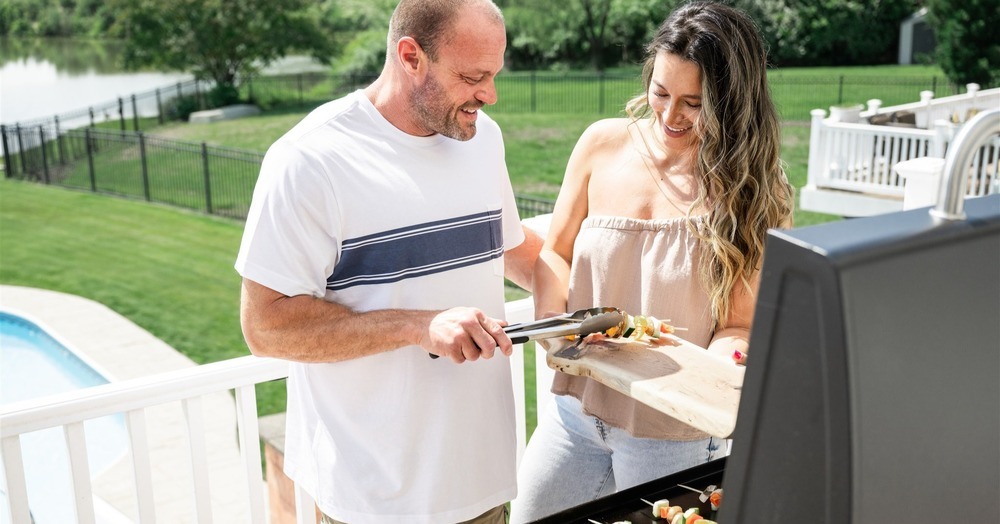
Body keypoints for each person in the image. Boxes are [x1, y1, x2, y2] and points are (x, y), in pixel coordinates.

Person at [235, 1, 542, 523]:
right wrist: (417, 327)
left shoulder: (482, 139)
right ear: (410, 56)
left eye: (493, 75)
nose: (489, 95)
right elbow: (265, 327)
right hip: (371, 501)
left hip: (481, 490)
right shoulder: (311, 160)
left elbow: (518, 252)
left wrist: (602, 305)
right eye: (472, 77)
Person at [509, 2, 795, 521]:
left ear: (732, 104)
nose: (669, 115)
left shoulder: (754, 193)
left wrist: (724, 364)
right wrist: (556, 332)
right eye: (660, 92)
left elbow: (738, 325)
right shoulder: (601, 144)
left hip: (675, 438)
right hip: (575, 413)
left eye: (694, 102)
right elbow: (556, 250)